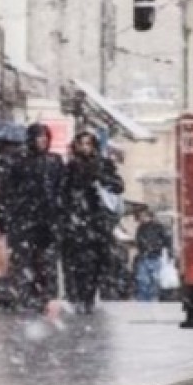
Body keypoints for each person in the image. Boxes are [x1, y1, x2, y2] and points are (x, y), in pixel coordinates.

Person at [0, 123, 65, 313]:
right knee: (22, 260)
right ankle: (25, 295)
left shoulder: (54, 161)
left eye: (45, 138)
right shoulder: (17, 161)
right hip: (23, 219)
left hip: (46, 221)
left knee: (44, 261)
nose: (42, 142)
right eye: (39, 138)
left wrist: (59, 214)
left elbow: (61, 189)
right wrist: (0, 218)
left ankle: (42, 296)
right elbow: (4, 191)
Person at [61, 131, 125, 313]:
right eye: (82, 144)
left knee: (96, 261)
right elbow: (63, 192)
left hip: (98, 221)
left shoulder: (103, 165)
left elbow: (118, 185)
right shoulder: (71, 167)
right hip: (76, 222)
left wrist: (101, 179)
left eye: (89, 144)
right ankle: (77, 295)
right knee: (75, 262)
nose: (85, 148)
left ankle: (89, 295)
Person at [133, 208, 174, 302]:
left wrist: (168, 252)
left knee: (150, 280)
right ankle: (146, 299)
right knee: (145, 280)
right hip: (147, 256)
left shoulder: (157, 227)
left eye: (143, 216)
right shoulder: (142, 227)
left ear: (149, 216)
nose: (141, 218)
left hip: (153, 256)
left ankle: (149, 299)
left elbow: (167, 240)